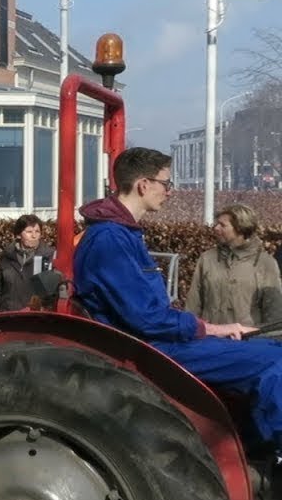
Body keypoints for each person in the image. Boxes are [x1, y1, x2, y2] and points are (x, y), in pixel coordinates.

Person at [74, 147, 282, 451]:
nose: (169, 192)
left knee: (273, 347)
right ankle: (269, 452)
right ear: (144, 185)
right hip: (153, 349)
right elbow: (147, 318)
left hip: (160, 340)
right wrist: (211, 328)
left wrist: (209, 327)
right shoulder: (109, 239)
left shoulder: (124, 234)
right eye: (166, 184)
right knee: (276, 363)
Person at [186, 204, 282, 327]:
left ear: (240, 228)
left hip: (248, 342)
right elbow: (193, 303)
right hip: (211, 340)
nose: (216, 228)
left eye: (223, 225)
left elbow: (274, 310)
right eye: (217, 223)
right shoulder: (207, 258)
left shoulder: (265, 263)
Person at [0, 213, 56, 313]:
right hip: (6, 316)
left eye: (37, 231)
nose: (34, 236)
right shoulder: (7, 256)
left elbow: (47, 296)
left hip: (33, 319)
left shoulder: (46, 257)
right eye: (29, 232)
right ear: (18, 235)